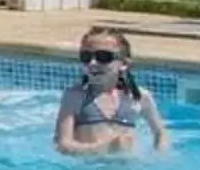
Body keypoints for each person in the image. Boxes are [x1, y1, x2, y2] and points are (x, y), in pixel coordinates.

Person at [55, 26, 169, 156]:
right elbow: (63, 145)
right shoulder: (75, 97)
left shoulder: (140, 97)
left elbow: (160, 133)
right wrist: (104, 148)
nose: (92, 63)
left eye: (103, 57)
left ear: (124, 64)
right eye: (86, 57)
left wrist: (158, 156)